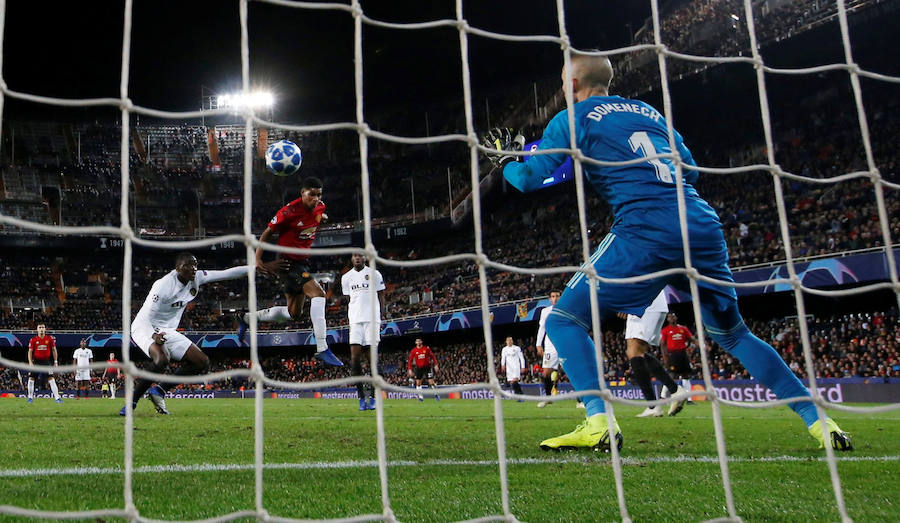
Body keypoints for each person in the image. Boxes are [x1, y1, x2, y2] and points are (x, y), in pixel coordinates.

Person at [486, 54, 850, 451]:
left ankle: (598, 421)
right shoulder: (648, 112)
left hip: (645, 229)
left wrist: (505, 163)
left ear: (571, 85)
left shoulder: (572, 118)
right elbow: (689, 170)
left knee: (564, 320)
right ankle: (821, 423)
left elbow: (528, 179)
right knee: (734, 334)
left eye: (561, 82)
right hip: (700, 225)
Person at [120, 252, 256, 416]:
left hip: (167, 330)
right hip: (144, 326)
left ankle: (159, 391)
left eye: (195, 264)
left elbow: (226, 273)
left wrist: (255, 268)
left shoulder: (196, 278)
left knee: (202, 361)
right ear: (178, 268)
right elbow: (147, 317)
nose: (193, 268)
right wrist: (153, 336)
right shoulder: (163, 286)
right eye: (188, 265)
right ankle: (132, 401)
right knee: (162, 359)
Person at [237, 177, 343, 367]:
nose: (316, 198)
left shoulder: (320, 207)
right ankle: (322, 347)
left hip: (302, 262)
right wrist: (258, 258)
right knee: (318, 294)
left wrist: (323, 219)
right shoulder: (288, 212)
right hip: (287, 264)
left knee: (294, 313)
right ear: (302, 193)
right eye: (312, 194)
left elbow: (319, 216)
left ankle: (246, 318)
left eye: (319, 195)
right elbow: (267, 233)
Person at [622, 291, 685, 417]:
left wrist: (627, 303)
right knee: (635, 352)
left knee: (635, 352)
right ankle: (674, 391)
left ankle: (654, 405)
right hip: (648, 302)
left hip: (645, 302)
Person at [340, 253, 385, 411]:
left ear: (364, 258)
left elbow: (381, 295)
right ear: (351, 259)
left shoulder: (375, 274)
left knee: (372, 360)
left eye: (360, 256)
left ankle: (372, 397)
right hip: (355, 321)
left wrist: (381, 316)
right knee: (355, 359)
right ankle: (361, 397)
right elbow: (349, 299)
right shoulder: (346, 278)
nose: (357, 258)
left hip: (372, 320)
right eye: (354, 256)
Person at [659, 312, 697, 401]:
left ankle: (689, 399)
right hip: (672, 355)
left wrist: (700, 345)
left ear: (676, 318)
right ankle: (663, 396)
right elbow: (663, 345)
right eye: (669, 317)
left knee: (686, 375)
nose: (671, 318)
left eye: (673, 316)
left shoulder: (683, 329)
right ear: (667, 319)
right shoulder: (665, 330)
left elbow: (692, 339)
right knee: (671, 375)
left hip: (683, 354)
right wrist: (665, 357)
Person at [535, 291, 562, 408]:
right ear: (550, 299)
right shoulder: (545, 311)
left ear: (560, 297)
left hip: (564, 342)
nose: (555, 298)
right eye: (552, 296)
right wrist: (538, 344)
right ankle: (548, 397)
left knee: (571, 371)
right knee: (546, 373)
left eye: (557, 296)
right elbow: (542, 328)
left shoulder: (566, 309)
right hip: (550, 345)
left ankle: (580, 401)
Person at [26, 324, 62, 403]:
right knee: (31, 378)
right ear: (37, 329)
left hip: (46, 362)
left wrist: (55, 362)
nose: (41, 329)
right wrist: (30, 363)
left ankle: (57, 398)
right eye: (40, 327)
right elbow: (30, 352)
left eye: (43, 327)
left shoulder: (49, 339)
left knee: (51, 378)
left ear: (45, 329)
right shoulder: (33, 340)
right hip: (36, 362)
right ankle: (30, 398)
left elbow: (54, 350)